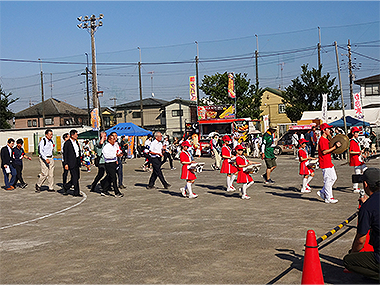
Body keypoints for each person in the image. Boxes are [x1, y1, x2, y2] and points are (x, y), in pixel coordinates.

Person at [343, 168, 380, 281]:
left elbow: (360, 240)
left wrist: (353, 253)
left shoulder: (368, 207)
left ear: (365, 184)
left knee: (348, 260)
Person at [316, 123, 341, 204]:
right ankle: (328, 197)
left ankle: (322, 192)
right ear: (323, 130)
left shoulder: (326, 139)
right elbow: (324, 151)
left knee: (333, 178)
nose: (329, 130)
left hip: (329, 162)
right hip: (324, 162)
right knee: (328, 180)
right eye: (328, 129)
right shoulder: (322, 139)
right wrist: (335, 147)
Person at [101, 133, 124, 197]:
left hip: (114, 162)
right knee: (114, 178)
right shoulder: (106, 146)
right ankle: (117, 192)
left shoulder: (114, 146)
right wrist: (115, 155)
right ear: (109, 140)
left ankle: (104, 190)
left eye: (114, 139)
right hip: (109, 163)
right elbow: (106, 155)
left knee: (110, 177)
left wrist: (119, 155)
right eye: (112, 139)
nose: (114, 140)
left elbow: (117, 152)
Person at [62, 130, 82, 197]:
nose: (77, 136)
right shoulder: (67, 143)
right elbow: (65, 154)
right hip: (71, 162)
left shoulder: (76, 142)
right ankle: (76, 192)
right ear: (72, 135)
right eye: (76, 135)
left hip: (76, 161)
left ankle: (66, 186)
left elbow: (78, 152)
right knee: (75, 177)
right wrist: (66, 164)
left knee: (77, 177)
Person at [350, 127, 367, 194]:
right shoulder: (352, 141)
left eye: (358, 132)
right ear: (353, 133)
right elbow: (351, 152)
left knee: (365, 169)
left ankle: (357, 186)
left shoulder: (356, 140)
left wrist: (362, 154)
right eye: (356, 132)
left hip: (359, 159)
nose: (357, 133)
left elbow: (357, 151)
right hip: (355, 159)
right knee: (357, 173)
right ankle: (355, 187)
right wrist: (359, 152)